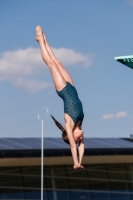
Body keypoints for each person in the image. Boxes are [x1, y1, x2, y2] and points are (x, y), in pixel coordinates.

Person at [36, 26, 84, 170]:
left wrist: (75, 163)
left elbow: (73, 146)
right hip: (72, 87)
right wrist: (81, 162)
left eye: (78, 139)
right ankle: (44, 39)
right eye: (79, 140)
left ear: (72, 136)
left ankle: (39, 41)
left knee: (51, 64)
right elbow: (81, 147)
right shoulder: (80, 125)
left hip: (63, 89)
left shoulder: (70, 126)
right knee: (57, 62)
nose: (80, 138)